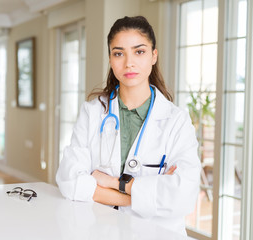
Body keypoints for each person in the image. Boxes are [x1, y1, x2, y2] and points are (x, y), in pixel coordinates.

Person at [55, 16, 201, 236]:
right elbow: (70, 181)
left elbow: (182, 197)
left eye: (139, 51)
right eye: (119, 53)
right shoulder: (93, 112)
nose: (128, 63)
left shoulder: (176, 120)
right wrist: (145, 197)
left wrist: (112, 183)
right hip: (100, 231)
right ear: (111, 59)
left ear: (154, 56)